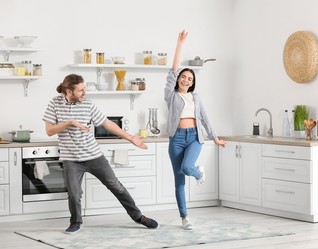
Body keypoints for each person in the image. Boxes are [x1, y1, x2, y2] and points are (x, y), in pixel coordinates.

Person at [42, 74, 158, 234]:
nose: (84, 93)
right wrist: (69, 123)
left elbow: (107, 123)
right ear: (69, 91)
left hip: (94, 156)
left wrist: (130, 138)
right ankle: (75, 222)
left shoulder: (88, 104)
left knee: (115, 186)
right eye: (81, 90)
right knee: (74, 194)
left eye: (84, 89)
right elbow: (49, 130)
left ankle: (138, 217)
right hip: (71, 159)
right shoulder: (54, 104)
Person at [164, 30, 226, 230]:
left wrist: (215, 138)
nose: (186, 80)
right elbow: (172, 71)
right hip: (177, 139)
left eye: (190, 79)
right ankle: (185, 218)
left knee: (186, 168)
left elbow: (205, 119)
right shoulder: (171, 96)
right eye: (183, 77)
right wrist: (179, 45)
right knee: (179, 181)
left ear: (192, 83)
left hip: (194, 138)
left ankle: (198, 173)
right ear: (179, 79)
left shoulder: (196, 97)